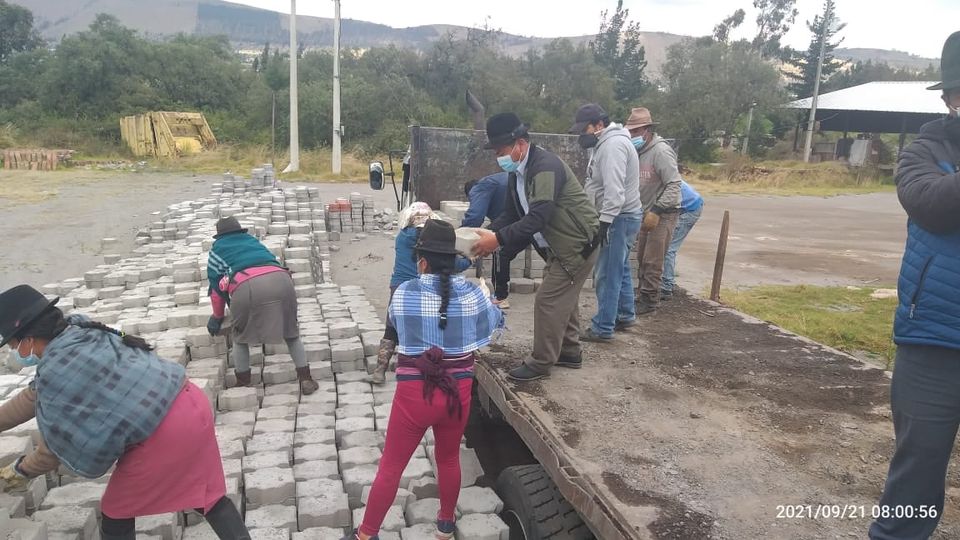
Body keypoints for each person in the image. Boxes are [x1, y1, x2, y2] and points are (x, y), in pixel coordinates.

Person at [0, 285, 250, 540]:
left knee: (116, 511)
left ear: (28, 340)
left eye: (12, 345)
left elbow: (54, 448)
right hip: (190, 404)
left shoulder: (58, 367)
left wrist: (21, 470)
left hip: (162, 433)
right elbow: (34, 395)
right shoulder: (79, 332)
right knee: (206, 493)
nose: (13, 352)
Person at [344, 219, 504, 540]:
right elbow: (495, 324)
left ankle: (367, 534)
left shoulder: (403, 293)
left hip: (415, 395)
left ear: (422, 261)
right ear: (454, 260)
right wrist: (490, 304)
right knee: (448, 459)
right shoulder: (474, 294)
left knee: (391, 467)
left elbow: (395, 327)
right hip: (457, 394)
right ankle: (445, 525)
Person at [869, 31, 960, 540]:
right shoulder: (923, 151)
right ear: (951, 99)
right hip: (935, 342)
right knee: (915, 479)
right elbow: (933, 205)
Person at [473, 112, 601, 382]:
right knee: (563, 297)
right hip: (560, 245)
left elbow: (537, 217)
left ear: (520, 144)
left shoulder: (544, 167)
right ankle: (569, 351)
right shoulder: (518, 172)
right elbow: (512, 214)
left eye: (501, 151)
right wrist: (490, 232)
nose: (498, 157)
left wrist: (497, 239)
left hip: (577, 244)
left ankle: (541, 362)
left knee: (547, 301)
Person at [206, 216, 320, 394]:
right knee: (291, 332)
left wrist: (217, 316)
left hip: (246, 286)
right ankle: (306, 378)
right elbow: (271, 262)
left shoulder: (217, 250)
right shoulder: (253, 242)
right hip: (282, 281)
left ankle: (243, 382)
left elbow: (216, 289)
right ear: (240, 231)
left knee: (240, 336)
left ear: (219, 235)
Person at [371, 203, 472, 384]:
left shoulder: (402, 237)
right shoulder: (432, 245)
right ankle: (417, 367)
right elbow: (454, 265)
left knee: (391, 328)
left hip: (399, 287)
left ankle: (380, 370)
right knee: (422, 328)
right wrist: (470, 259)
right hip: (426, 287)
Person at [570, 103, 643, 341]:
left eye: (585, 129)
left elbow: (615, 191)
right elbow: (596, 182)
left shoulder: (613, 146)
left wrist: (604, 223)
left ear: (599, 125)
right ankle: (625, 314)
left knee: (607, 274)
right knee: (620, 268)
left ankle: (603, 327)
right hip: (622, 216)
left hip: (618, 218)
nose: (582, 135)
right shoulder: (603, 144)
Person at [625, 107, 682, 315]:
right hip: (645, 211)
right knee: (642, 257)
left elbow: (674, 184)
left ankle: (650, 299)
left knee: (653, 259)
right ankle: (643, 295)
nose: (632, 135)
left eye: (636, 131)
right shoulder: (638, 151)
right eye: (630, 131)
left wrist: (657, 210)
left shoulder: (661, 151)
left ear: (647, 130)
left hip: (664, 213)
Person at [462, 173, 515, 308]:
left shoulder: (480, 188)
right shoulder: (499, 182)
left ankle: (500, 297)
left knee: (500, 252)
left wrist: (461, 237)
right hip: (530, 219)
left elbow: (475, 217)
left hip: (517, 221)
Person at [661, 180, 704, 300]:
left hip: (690, 208)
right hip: (689, 204)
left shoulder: (661, 179)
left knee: (669, 248)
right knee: (666, 246)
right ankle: (667, 281)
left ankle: (666, 287)